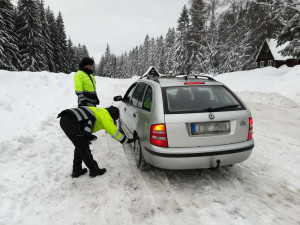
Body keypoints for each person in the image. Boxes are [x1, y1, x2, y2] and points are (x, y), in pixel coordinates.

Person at [58, 105, 135, 178]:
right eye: (115, 119)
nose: (114, 121)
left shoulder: (101, 111)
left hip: (67, 118)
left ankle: (77, 170)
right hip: (71, 122)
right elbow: (115, 133)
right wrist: (128, 140)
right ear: (113, 116)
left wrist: (89, 135)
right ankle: (94, 171)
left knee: (80, 145)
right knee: (83, 147)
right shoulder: (106, 117)